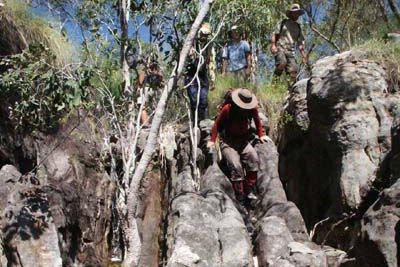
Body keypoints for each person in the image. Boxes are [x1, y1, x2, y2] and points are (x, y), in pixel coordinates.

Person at [207, 88, 270, 205]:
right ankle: (239, 194)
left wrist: (261, 135)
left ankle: (249, 188)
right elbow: (217, 124)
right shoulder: (228, 109)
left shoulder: (252, 109)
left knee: (253, 158)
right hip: (228, 142)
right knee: (235, 165)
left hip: (243, 140)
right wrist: (212, 140)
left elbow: (257, 121)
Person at [185, 22, 216, 123]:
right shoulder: (191, 43)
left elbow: (211, 62)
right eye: (203, 34)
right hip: (191, 76)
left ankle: (205, 123)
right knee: (194, 101)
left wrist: (212, 79)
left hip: (203, 75)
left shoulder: (209, 46)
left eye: (206, 34)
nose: (204, 36)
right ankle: (195, 124)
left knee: (204, 100)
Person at [271, 3, 308, 82]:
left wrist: (304, 55)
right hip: (280, 48)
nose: (296, 14)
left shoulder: (298, 27)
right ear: (291, 13)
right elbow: (274, 33)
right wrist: (273, 45)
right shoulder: (283, 23)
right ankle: (274, 82)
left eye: (298, 13)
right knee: (282, 63)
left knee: (293, 71)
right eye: (295, 12)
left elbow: (300, 43)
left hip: (290, 51)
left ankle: (291, 90)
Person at [135, 57, 163, 127]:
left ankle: (145, 124)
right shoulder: (157, 70)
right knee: (152, 107)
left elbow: (141, 81)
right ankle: (154, 123)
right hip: (153, 90)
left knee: (142, 106)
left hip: (145, 89)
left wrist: (138, 88)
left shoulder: (145, 69)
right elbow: (161, 79)